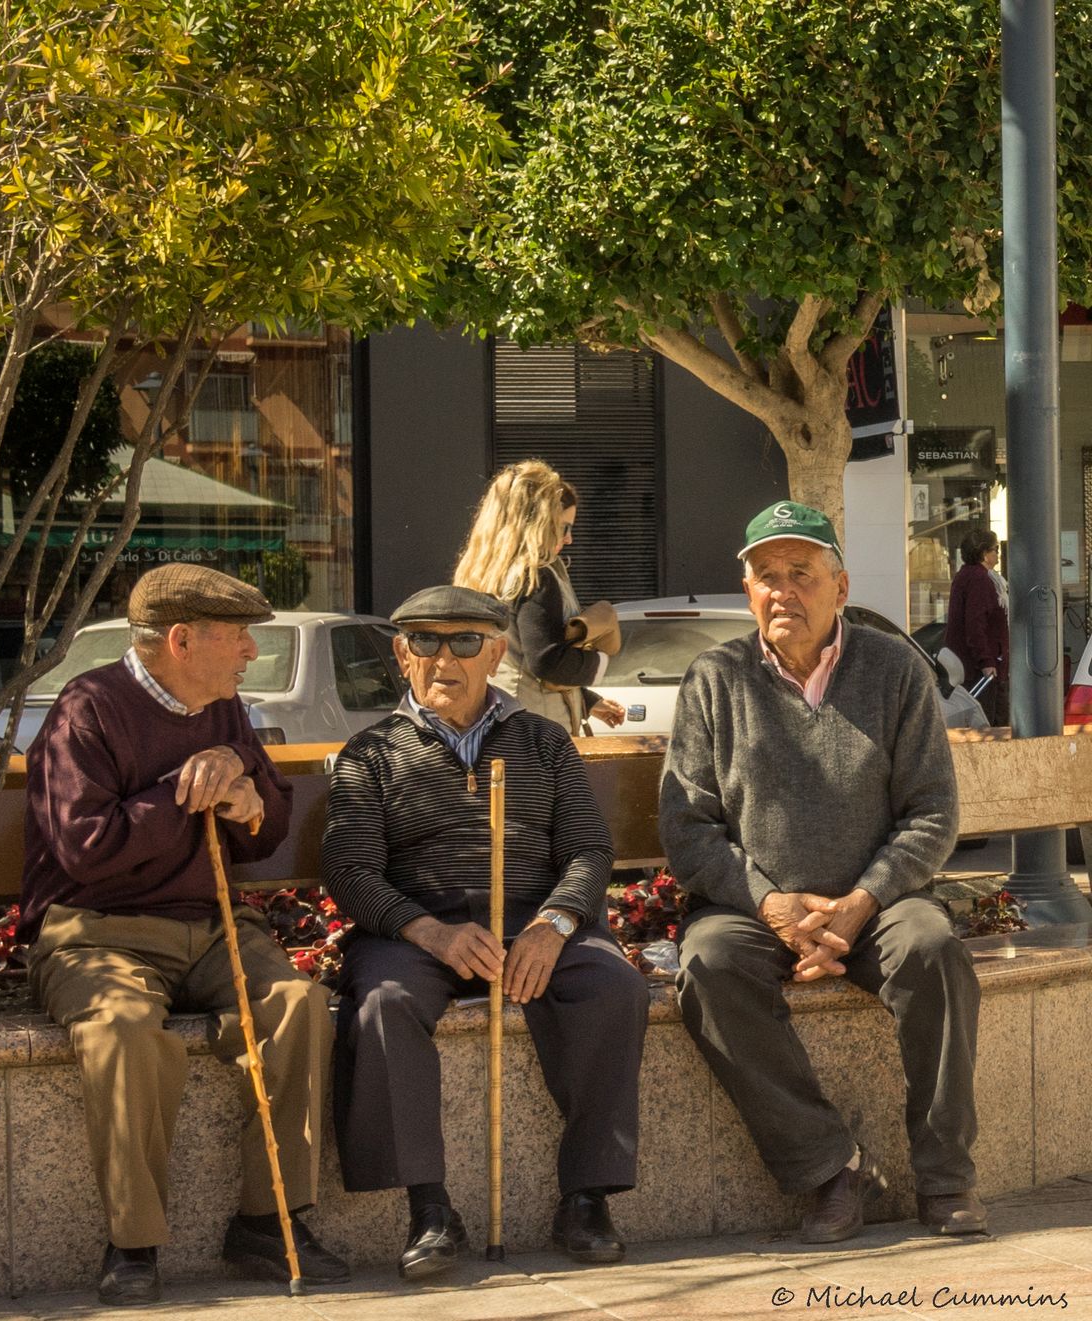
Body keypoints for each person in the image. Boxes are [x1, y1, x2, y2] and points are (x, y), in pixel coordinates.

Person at [19, 564, 349, 1306]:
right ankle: (133, 1242)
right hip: (97, 933)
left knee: (298, 1006)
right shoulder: (87, 710)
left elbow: (269, 824)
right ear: (180, 641)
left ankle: (271, 1221)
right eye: (237, 637)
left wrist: (242, 789)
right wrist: (184, 791)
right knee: (124, 1029)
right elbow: (87, 849)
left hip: (211, 924)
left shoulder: (221, 708)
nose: (249, 652)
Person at [659, 501, 985, 1244]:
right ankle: (829, 1168)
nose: (783, 591)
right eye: (766, 576)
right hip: (753, 909)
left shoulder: (894, 669)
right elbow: (689, 829)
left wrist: (862, 901)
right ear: (749, 592)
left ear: (840, 587)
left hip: (880, 903)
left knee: (933, 949)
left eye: (801, 574)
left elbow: (932, 813)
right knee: (707, 965)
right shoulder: (716, 678)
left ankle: (946, 1178)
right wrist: (772, 905)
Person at [323, 584, 648, 1280]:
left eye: (465, 642)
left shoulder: (544, 740)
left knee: (613, 987)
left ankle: (587, 1197)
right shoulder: (370, 753)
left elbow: (589, 850)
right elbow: (350, 870)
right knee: (382, 1002)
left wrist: (553, 925)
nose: (445, 659)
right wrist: (428, 932)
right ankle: (429, 1209)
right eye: (426, 642)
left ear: (496, 653)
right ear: (402, 655)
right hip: (417, 928)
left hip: (533, 916)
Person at [453, 460, 626, 735]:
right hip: (534, 730)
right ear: (537, 524)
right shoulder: (535, 575)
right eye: (564, 527)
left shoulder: (483, 573)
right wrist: (601, 661)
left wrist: (587, 701)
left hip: (490, 718)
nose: (569, 539)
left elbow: (520, 660)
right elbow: (546, 661)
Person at [943, 529, 1009, 725]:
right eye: (995, 549)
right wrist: (986, 661)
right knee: (991, 722)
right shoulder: (979, 580)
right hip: (981, 669)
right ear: (984, 553)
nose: (998, 554)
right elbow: (975, 623)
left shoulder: (967, 576)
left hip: (975, 665)